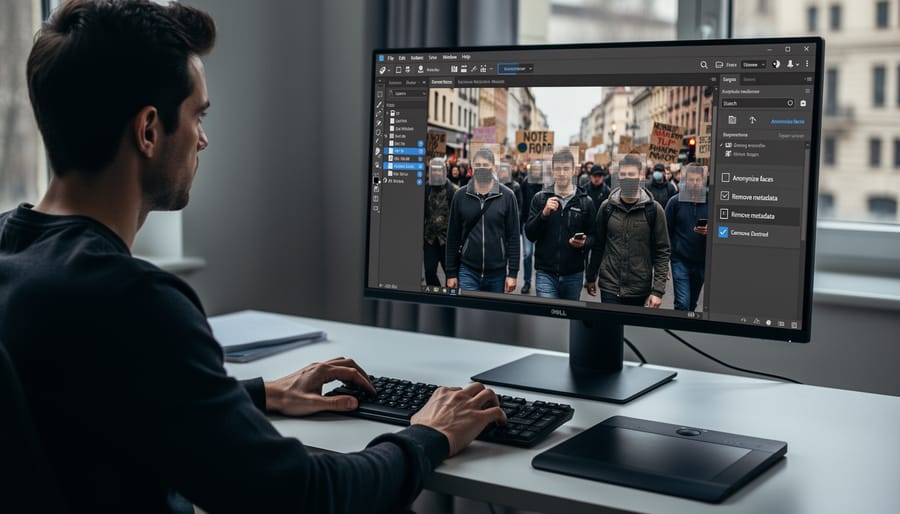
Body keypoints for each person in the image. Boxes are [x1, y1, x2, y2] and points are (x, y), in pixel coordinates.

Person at [0, 2, 506, 512]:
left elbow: (96, 402)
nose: (203, 138)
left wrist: (259, 394)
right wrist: (428, 435)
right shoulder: (132, 299)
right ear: (149, 131)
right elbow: (305, 497)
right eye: (197, 115)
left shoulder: (18, 258)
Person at [584, 154, 670, 307]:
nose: (627, 178)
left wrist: (657, 291)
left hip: (639, 288)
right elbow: (598, 245)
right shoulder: (607, 207)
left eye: (631, 174)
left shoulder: (654, 210)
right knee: (610, 330)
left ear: (640, 175)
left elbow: (662, 251)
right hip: (610, 286)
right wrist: (591, 277)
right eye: (623, 174)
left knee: (632, 330)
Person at [445, 148, 520, 293]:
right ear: (472, 167)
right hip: (468, 270)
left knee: (493, 315)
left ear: (493, 167)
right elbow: (452, 235)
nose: (481, 168)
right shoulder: (460, 195)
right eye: (477, 165)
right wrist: (450, 272)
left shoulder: (508, 196)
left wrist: (513, 273)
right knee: (468, 314)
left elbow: (513, 237)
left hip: (497, 273)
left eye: (485, 165)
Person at [525, 151, 596, 300]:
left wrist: (584, 243)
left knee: (568, 321)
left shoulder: (585, 202)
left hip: (573, 274)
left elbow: (594, 237)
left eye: (566, 169)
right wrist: (543, 214)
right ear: (552, 170)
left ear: (573, 170)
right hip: (545, 273)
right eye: (558, 169)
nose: (562, 173)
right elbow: (530, 234)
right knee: (547, 320)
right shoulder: (540, 198)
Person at [665, 164, 709, 311]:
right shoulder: (675, 202)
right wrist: (665, 262)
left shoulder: (712, 202)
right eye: (691, 179)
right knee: (682, 303)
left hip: (701, 261)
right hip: (680, 260)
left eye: (698, 179)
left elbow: (725, 231)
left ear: (703, 180)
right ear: (685, 180)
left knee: (692, 304)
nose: (695, 183)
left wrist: (710, 231)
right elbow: (665, 233)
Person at [423, 158, 458, 287]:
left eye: (439, 170)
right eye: (434, 170)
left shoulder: (454, 190)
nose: (436, 173)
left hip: (447, 241)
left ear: (444, 171)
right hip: (430, 239)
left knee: (452, 276)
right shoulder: (426, 189)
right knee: (429, 272)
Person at [518, 160, 545, 294]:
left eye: (538, 169)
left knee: (540, 253)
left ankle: (542, 281)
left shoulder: (546, 183)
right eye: (533, 169)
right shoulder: (525, 182)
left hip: (542, 223)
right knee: (527, 254)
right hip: (527, 223)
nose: (536, 171)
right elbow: (522, 203)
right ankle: (527, 282)